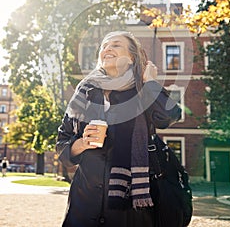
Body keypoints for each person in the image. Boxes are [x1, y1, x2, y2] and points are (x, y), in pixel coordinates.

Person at [56, 31, 182, 227]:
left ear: (131, 57)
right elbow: (62, 143)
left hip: (131, 209)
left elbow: (170, 116)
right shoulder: (85, 90)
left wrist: (150, 83)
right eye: (104, 46)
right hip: (85, 203)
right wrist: (81, 143)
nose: (107, 48)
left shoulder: (142, 90)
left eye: (115, 45)